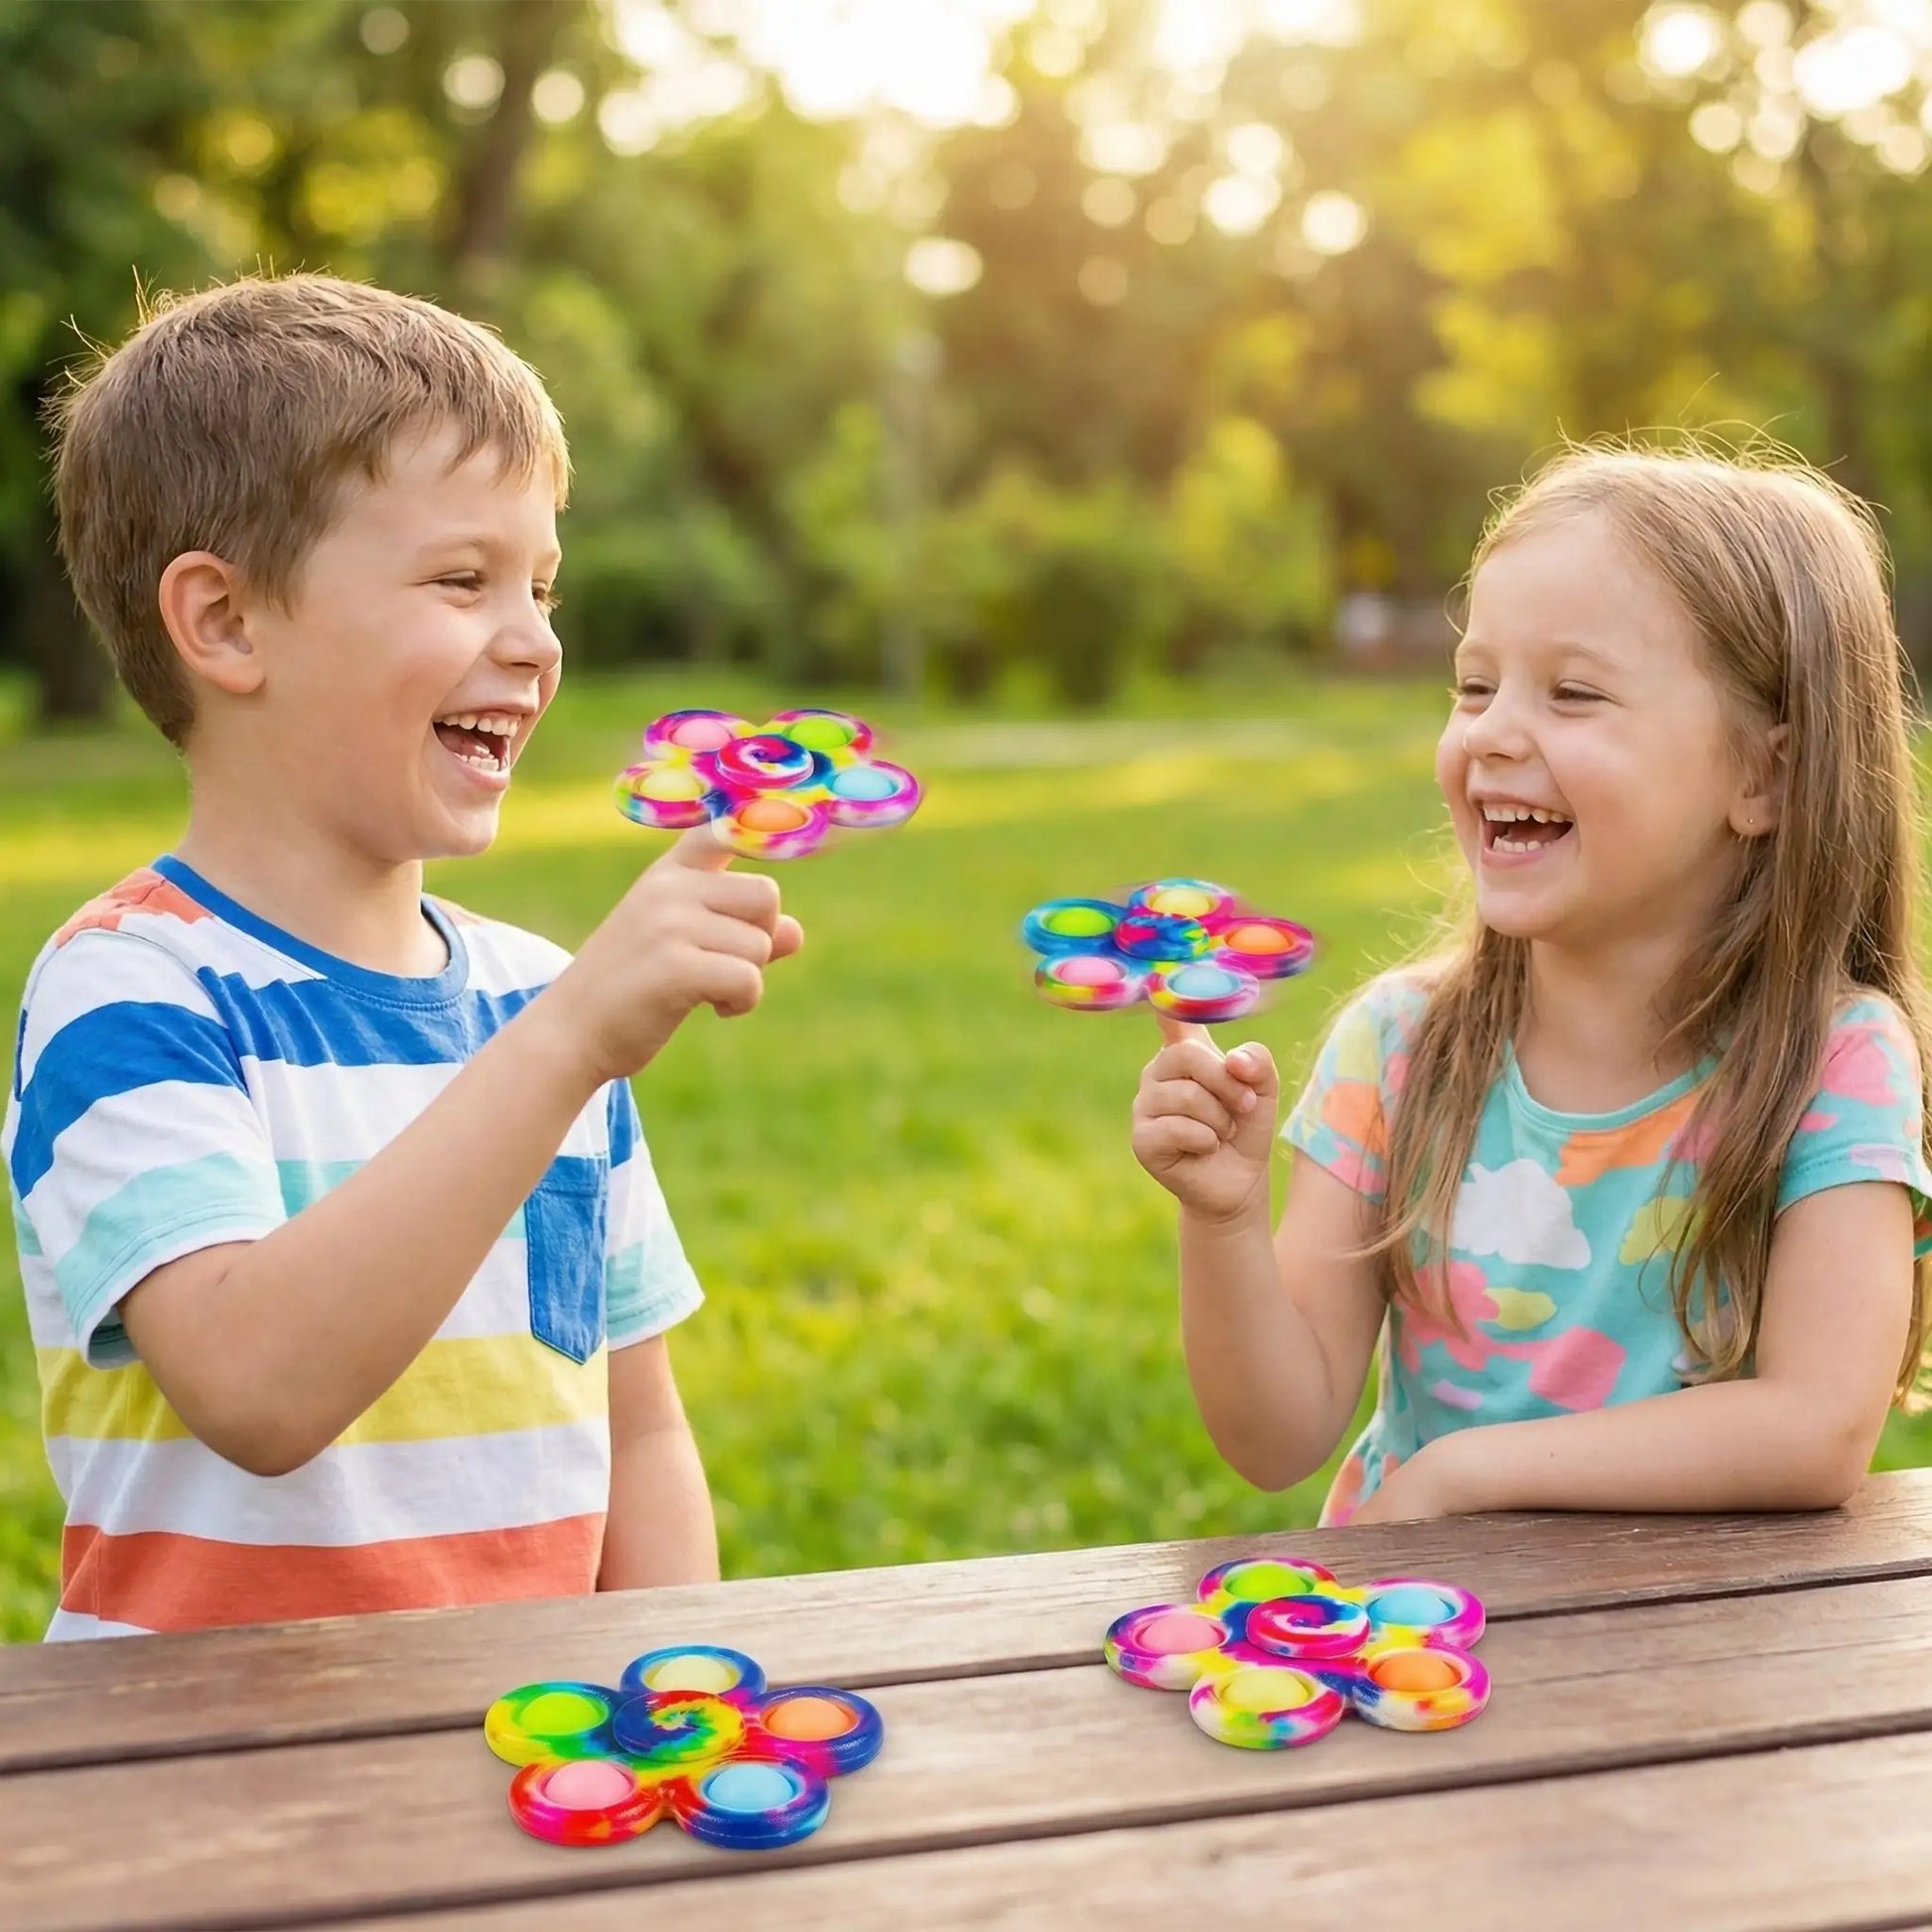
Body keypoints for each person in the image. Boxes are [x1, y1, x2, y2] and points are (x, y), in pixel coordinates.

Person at [3, 274, 800, 1638]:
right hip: (197, 1787)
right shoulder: (127, 991)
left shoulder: (538, 994)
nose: (536, 641)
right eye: (460, 579)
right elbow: (257, 1390)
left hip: (522, 1750)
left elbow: (640, 1426)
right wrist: (564, 1048)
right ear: (228, 624)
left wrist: (676, 1687)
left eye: (541, 585)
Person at [1133, 444, 1932, 1526]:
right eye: (1473, 686)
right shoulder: (1398, 1047)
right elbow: (1275, 1435)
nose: (1492, 732)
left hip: (1697, 1656)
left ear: (1763, 776)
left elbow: (1813, 1426)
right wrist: (1222, 1220)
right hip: (1424, 1648)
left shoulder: (1829, 1064)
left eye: (1571, 692)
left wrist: (1472, 1471)